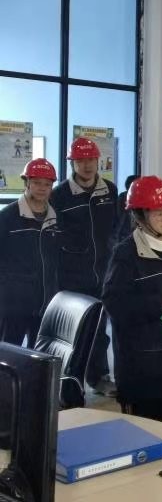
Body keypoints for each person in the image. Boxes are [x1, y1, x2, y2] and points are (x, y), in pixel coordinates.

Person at [102, 176, 162, 423]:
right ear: (140, 216)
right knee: (144, 435)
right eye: (157, 212)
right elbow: (115, 303)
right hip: (141, 371)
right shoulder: (126, 254)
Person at [50, 137, 120, 396]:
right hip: (73, 273)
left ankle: (98, 377)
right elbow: (55, 233)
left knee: (100, 329)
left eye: (91, 159)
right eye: (81, 160)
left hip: (104, 271)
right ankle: (68, 381)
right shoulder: (59, 195)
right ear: (73, 163)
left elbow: (116, 227)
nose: (87, 165)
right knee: (75, 330)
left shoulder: (109, 190)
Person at [0, 159, 59, 347]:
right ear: (26, 183)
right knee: (9, 352)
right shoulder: (7, 216)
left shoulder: (56, 219)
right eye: (36, 183)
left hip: (45, 302)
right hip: (13, 303)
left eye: (47, 184)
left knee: (40, 354)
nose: (42, 188)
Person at [115, 174, 140, 243]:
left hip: (134, 235)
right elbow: (120, 218)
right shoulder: (123, 197)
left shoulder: (142, 199)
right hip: (125, 236)